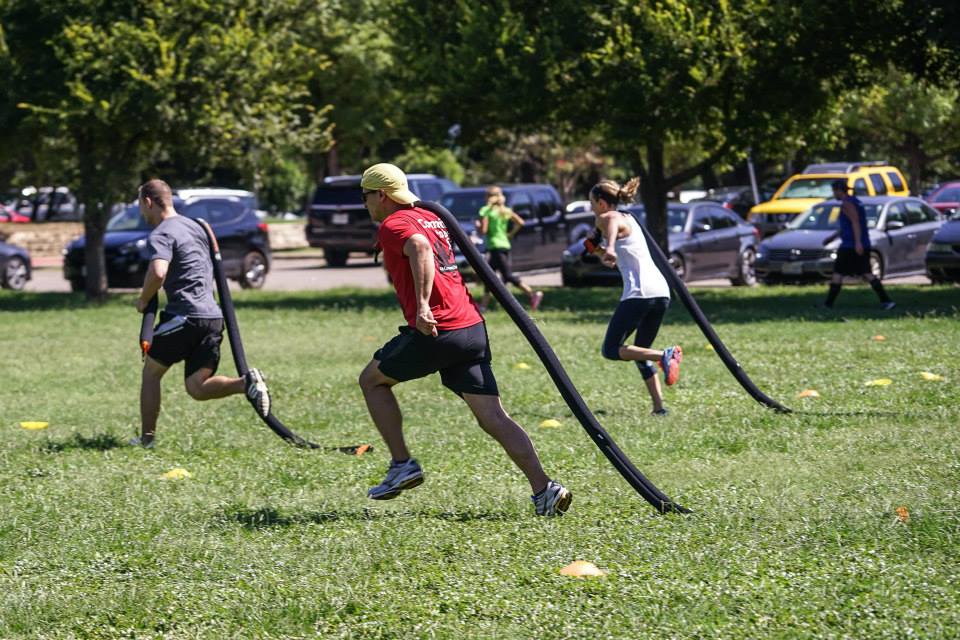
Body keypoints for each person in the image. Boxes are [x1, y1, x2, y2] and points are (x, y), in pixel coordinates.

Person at [357, 163, 571, 516]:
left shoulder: (395, 224)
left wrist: (422, 307)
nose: (364, 204)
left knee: (372, 381)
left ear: (381, 195)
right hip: (471, 328)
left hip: (437, 330)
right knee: (493, 416)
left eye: (365, 197)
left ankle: (401, 464)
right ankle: (544, 489)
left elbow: (419, 249)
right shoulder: (431, 217)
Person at [131, 179, 271, 448]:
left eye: (140, 205)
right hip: (213, 318)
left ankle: (147, 440)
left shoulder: (161, 233)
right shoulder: (195, 227)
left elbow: (158, 272)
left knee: (151, 373)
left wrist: (143, 299)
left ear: (148, 202)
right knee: (197, 387)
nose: (141, 212)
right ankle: (246, 383)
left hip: (186, 316)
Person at [587, 178, 682, 416]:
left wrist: (609, 247)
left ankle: (665, 355)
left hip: (639, 294)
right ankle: (659, 408)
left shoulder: (608, 216)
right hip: (660, 292)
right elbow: (611, 249)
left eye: (591, 203)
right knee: (640, 351)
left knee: (611, 349)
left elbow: (610, 222)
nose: (591, 208)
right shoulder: (629, 219)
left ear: (601, 203)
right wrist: (599, 250)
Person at [822, 179, 895, 310]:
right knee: (866, 272)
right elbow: (849, 225)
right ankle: (886, 301)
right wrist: (832, 237)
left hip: (850, 245)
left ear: (839, 190)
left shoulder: (847, 204)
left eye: (834, 191)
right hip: (855, 243)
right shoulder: (855, 201)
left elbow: (855, 223)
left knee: (839, 273)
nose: (834, 194)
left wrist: (858, 243)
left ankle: (828, 304)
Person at [475, 186, 543, 312]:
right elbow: (520, 222)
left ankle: (532, 294)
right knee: (489, 276)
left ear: (488, 197)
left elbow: (483, 230)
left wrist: (478, 225)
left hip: (495, 246)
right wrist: (510, 234)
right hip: (504, 245)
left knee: (507, 275)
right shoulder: (505, 210)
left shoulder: (486, 210)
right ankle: (483, 306)